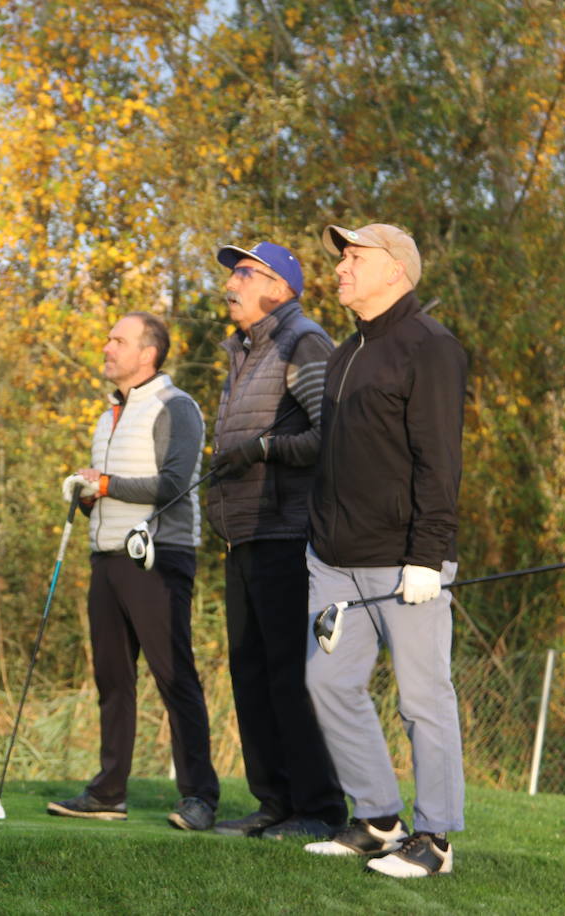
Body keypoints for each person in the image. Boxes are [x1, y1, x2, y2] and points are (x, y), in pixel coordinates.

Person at [301, 223, 468, 878]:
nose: (341, 268)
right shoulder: (346, 353)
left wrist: (428, 556)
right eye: (342, 257)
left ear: (395, 270)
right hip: (335, 560)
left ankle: (435, 838)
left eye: (354, 258)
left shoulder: (430, 347)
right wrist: (318, 543)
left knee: (423, 698)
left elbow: (439, 463)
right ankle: (377, 818)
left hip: (407, 563)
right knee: (327, 681)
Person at [48, 312, 221, 831]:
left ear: (148, 354)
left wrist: (104, 485)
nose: (107, 347)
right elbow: (110, 489)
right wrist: (85, 493)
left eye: (117, 340)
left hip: (159, 558)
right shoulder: (109, 416)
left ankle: (200, 797)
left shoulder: (177, 406)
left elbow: (174, 485)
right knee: (113, 680)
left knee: (175, 678)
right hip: (106, 558)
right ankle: (108, 792)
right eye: (108, 338)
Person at [204, 241, 347, 841]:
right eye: (233, 271)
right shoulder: (241, 350)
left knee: (289, 675)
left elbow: (330, 435)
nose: (231, 281)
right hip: (243, 535)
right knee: (251, 673)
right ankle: (274, 802)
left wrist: (264, 449)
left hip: (287, 533)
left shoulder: (304, 341)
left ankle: (318, 808)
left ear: (280, 288)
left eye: (245, 272)